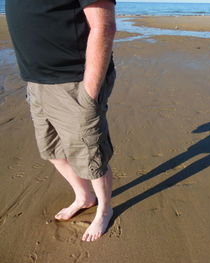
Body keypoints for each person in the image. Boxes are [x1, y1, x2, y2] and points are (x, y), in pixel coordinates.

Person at [5, 0, 117, 242]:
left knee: (90, 157)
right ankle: (84, 197)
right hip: (36, 81)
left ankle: (104, 209)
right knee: (52, 150)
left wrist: (89, 92)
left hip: (74, 82)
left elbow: (104, 26)